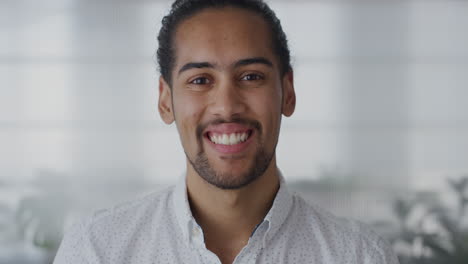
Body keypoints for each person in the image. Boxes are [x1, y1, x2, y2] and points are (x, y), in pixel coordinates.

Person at [54, 0, 400, 263]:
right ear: (165, 101)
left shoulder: (359, 255)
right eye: (200, 80)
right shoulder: (96, 250)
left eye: (251, 76)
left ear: (288, 92)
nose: (227, 106)